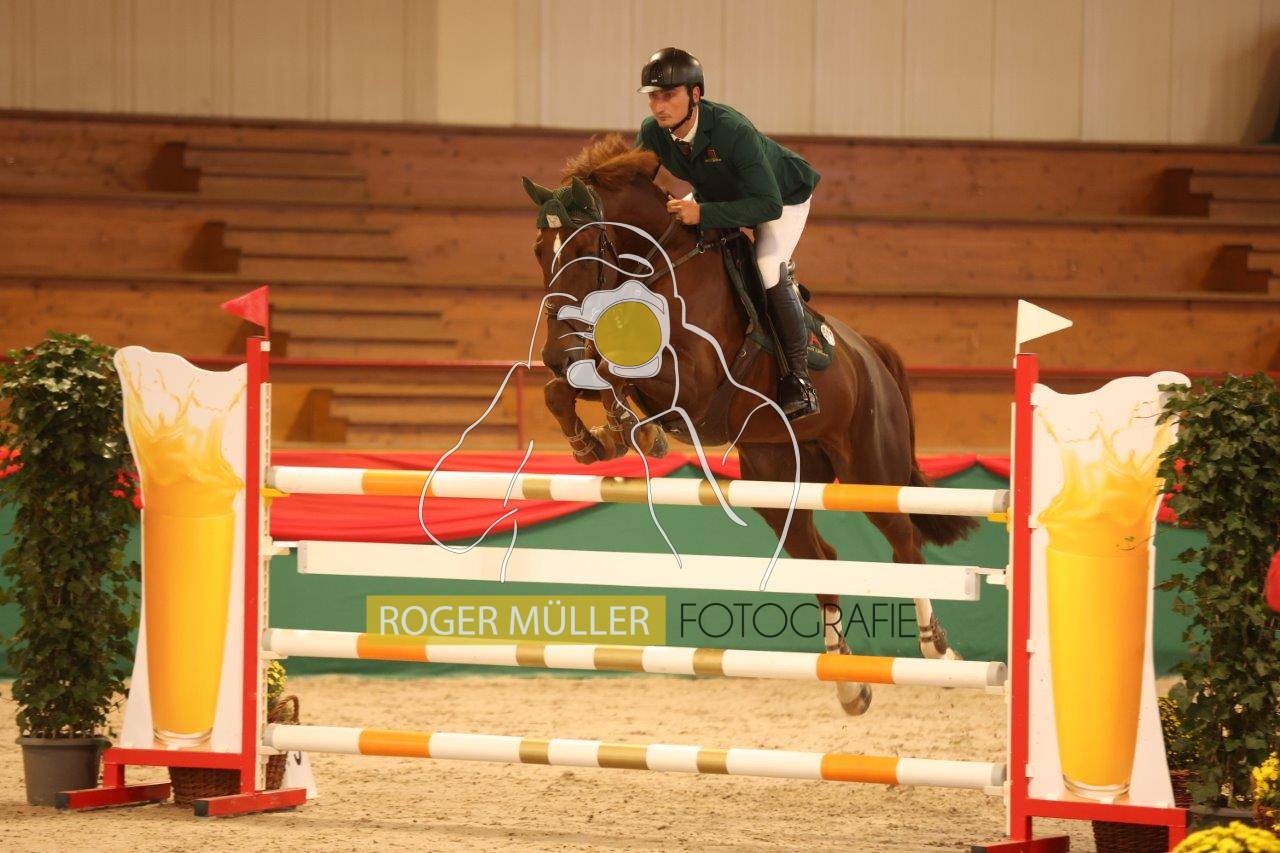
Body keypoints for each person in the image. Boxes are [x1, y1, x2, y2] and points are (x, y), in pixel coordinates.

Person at [634, 47, 822, 420]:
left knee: (767, 267)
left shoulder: (732, 130)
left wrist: (703, 213)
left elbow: (767, 205)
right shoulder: (653, 133)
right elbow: (635, 186)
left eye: (668, 95)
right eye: (653, 96)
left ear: (695, 94)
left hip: (782, 197)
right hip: (718, 195)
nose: (658, 106)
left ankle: (799, 380)